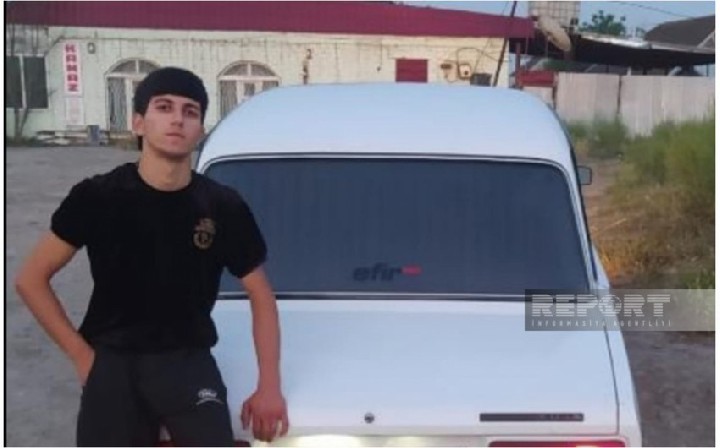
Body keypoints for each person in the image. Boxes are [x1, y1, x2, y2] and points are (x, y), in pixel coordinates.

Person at [14, 67, 289, 447]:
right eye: (164, 107)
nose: (177, 119)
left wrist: (269, 386)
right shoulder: (98, 197)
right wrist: (82, 357)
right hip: (112, 363)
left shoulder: (222, 206)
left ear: (200, 130)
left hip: (188, 361)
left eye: (190, 112)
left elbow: (261, 294)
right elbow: (30, 279)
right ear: (139, 122)